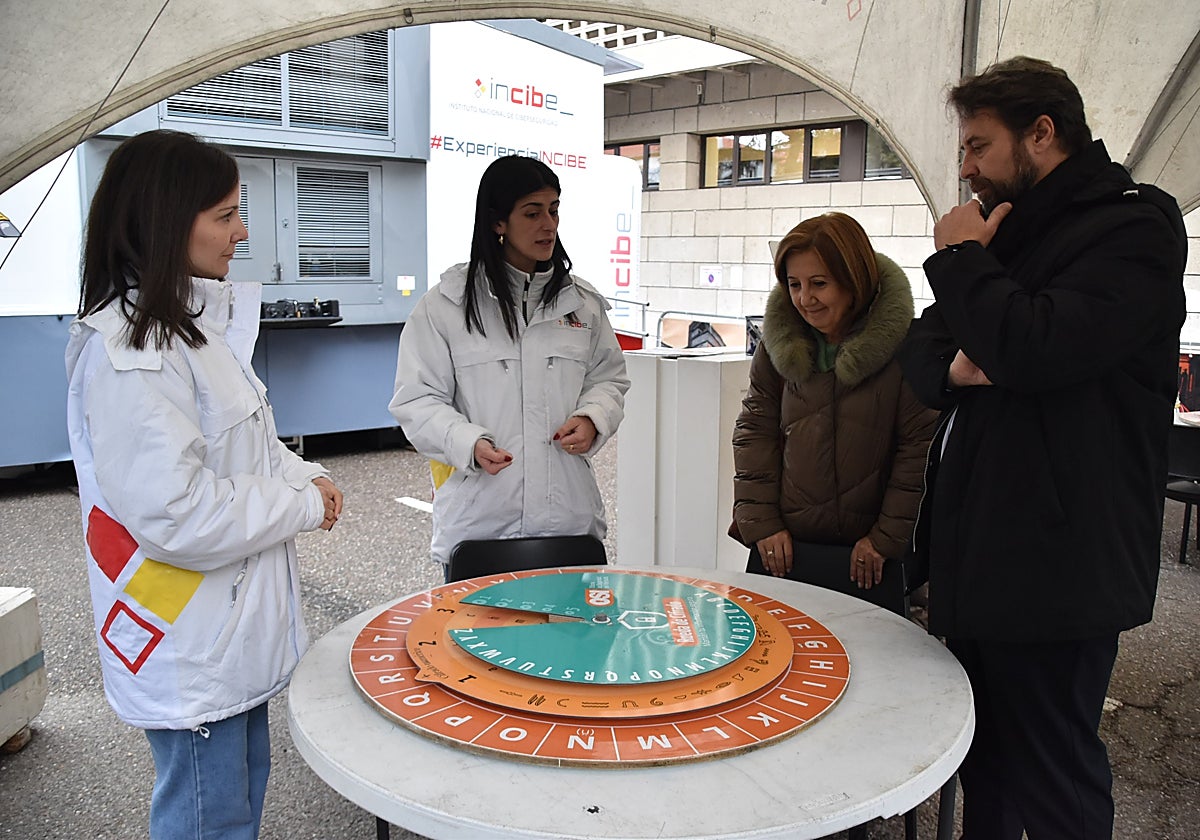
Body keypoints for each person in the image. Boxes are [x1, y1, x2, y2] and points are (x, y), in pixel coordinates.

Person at [897, 57, 1187, 839]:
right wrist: (967, 359)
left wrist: (963, 265)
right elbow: (923, 355)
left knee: (1053, 765)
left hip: (1064, 561)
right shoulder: (1009, 233)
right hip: (983, 551)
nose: (965, 171)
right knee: (985, 760)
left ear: (1042, 133)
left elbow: (1032, 348)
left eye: (978, 147)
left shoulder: (1133, 230)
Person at [64, 129, 343, 840]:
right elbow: (177, 513)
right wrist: (301, 506)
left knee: (235, 803)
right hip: (187, 642)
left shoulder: (191, 331)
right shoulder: (134, 354)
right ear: (164, 221)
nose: (241, 232)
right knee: (208, 818)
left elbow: (245, 444)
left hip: (224, 633)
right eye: (224, 215)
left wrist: (306, 475)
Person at [389, 155, 629, 576]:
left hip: (568, 524)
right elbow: (416, 400)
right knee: (480, 643)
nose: (548, 225)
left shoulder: (582, 306)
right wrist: (468, 442)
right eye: (532, 213)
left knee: (571, 642)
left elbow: (609, 378)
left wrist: (593, 418)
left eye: (554, 210)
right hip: (480, 527)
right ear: (498, 222)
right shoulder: (446, 307)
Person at [731, 212, 938, 589]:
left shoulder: (906, 348)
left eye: (819, 283)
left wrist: (886, 538)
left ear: (853, 280)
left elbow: (918, 448)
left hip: (871, 559)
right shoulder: (777, 346)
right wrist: (762, 522)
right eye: (794, 284)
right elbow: (754, 430)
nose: (805, 299)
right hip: (786, 550)